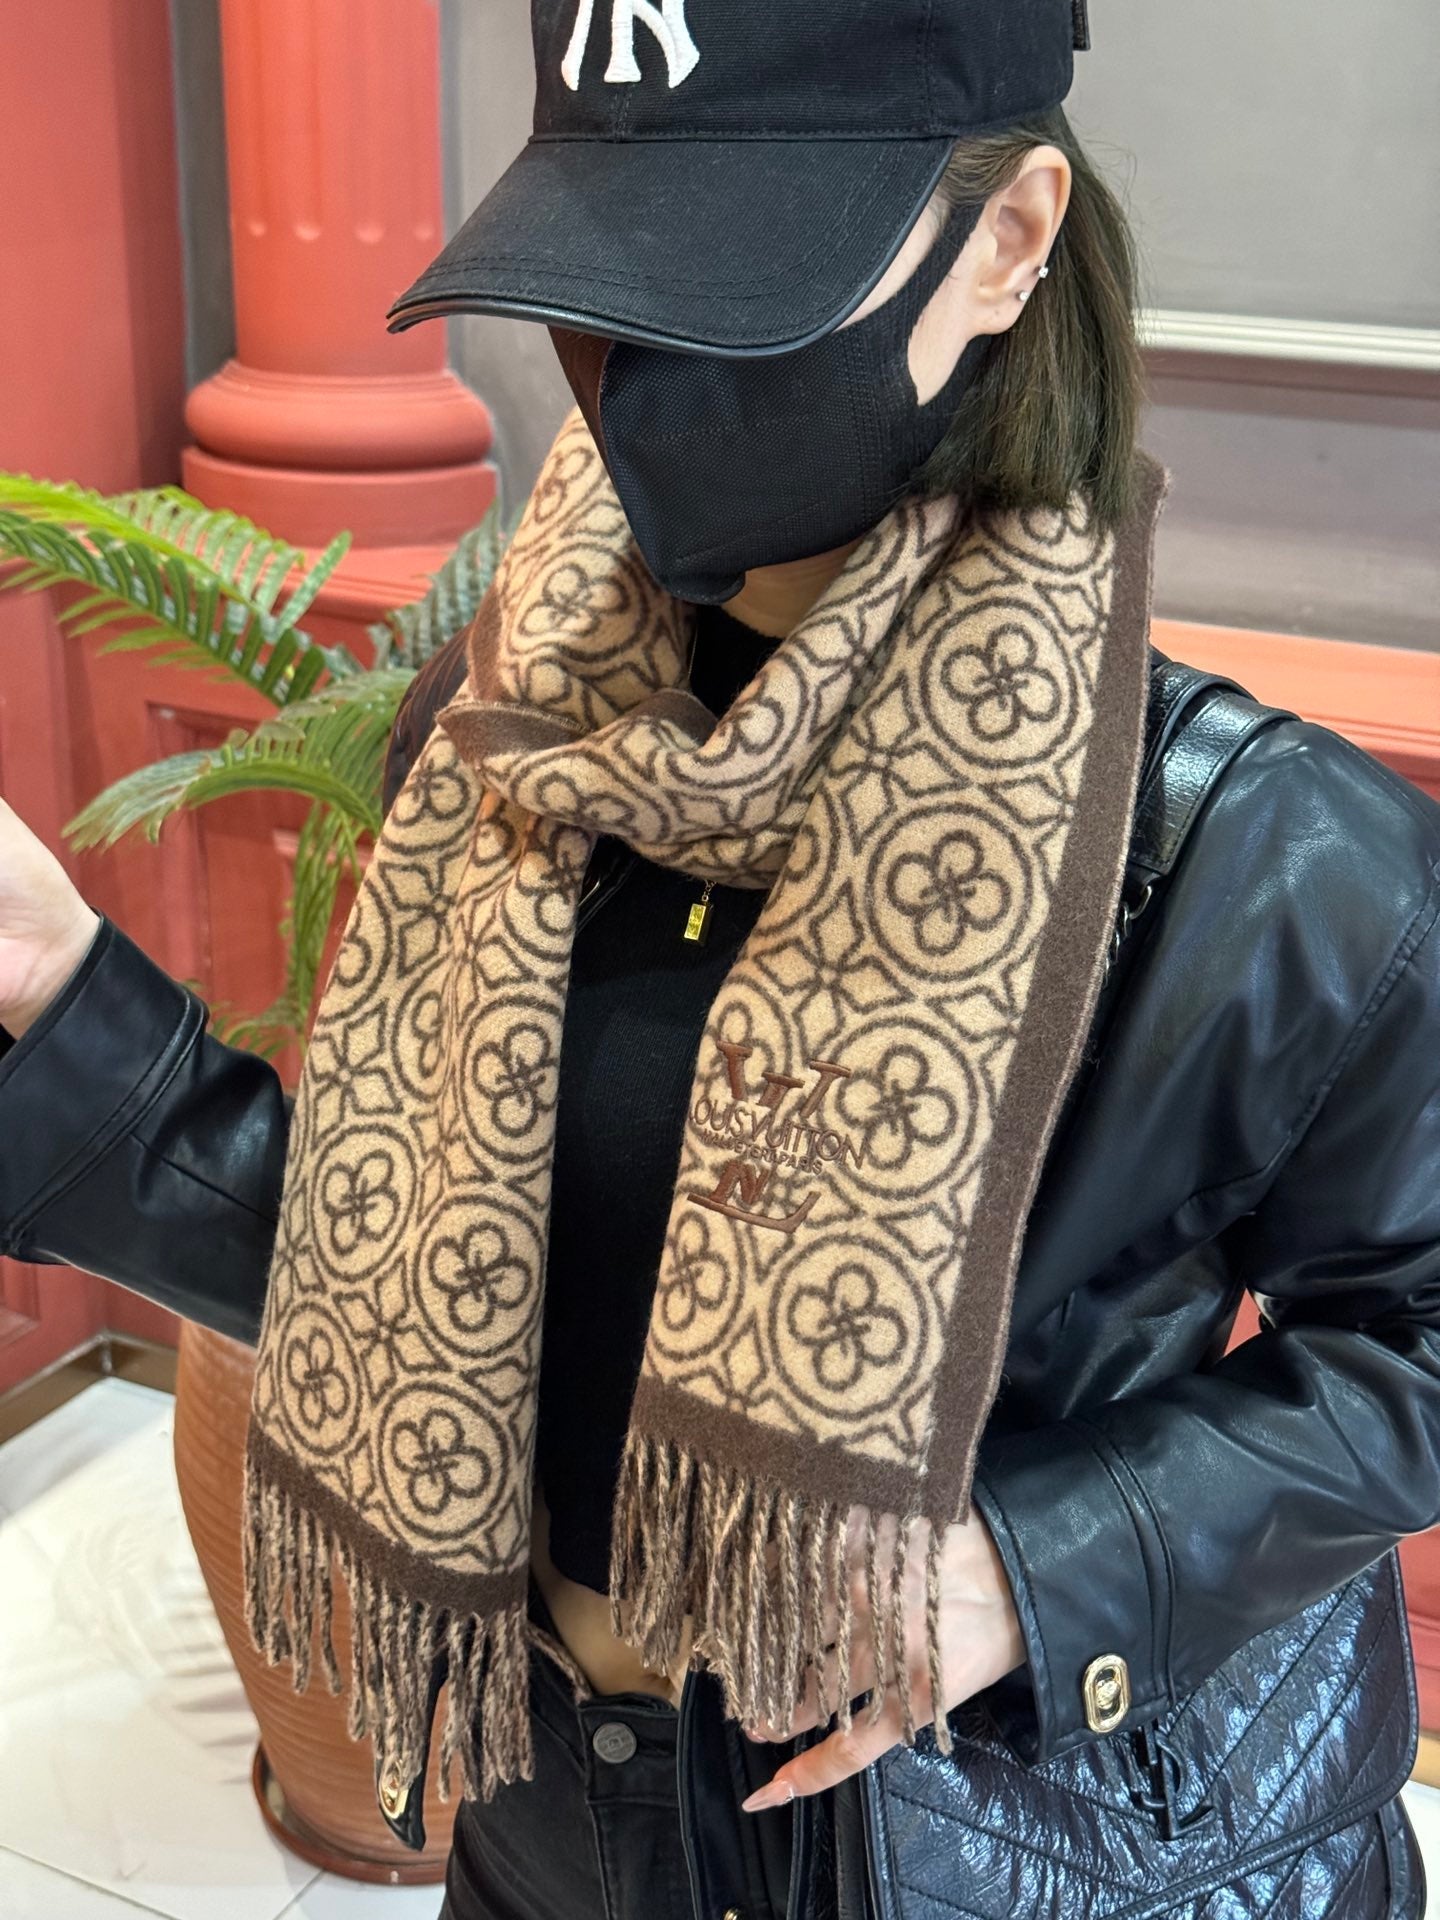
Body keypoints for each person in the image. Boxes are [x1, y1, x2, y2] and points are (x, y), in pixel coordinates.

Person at [3, 3, 1439, 1916]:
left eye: (734, 291)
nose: (635, 380)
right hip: (549, 1819)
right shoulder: (507, 754)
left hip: (986, 1845)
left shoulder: (1262, 857)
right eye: (602, 287)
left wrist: (1039, 1571)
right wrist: (57, 995)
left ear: (1008, 238)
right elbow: (385, 1272)